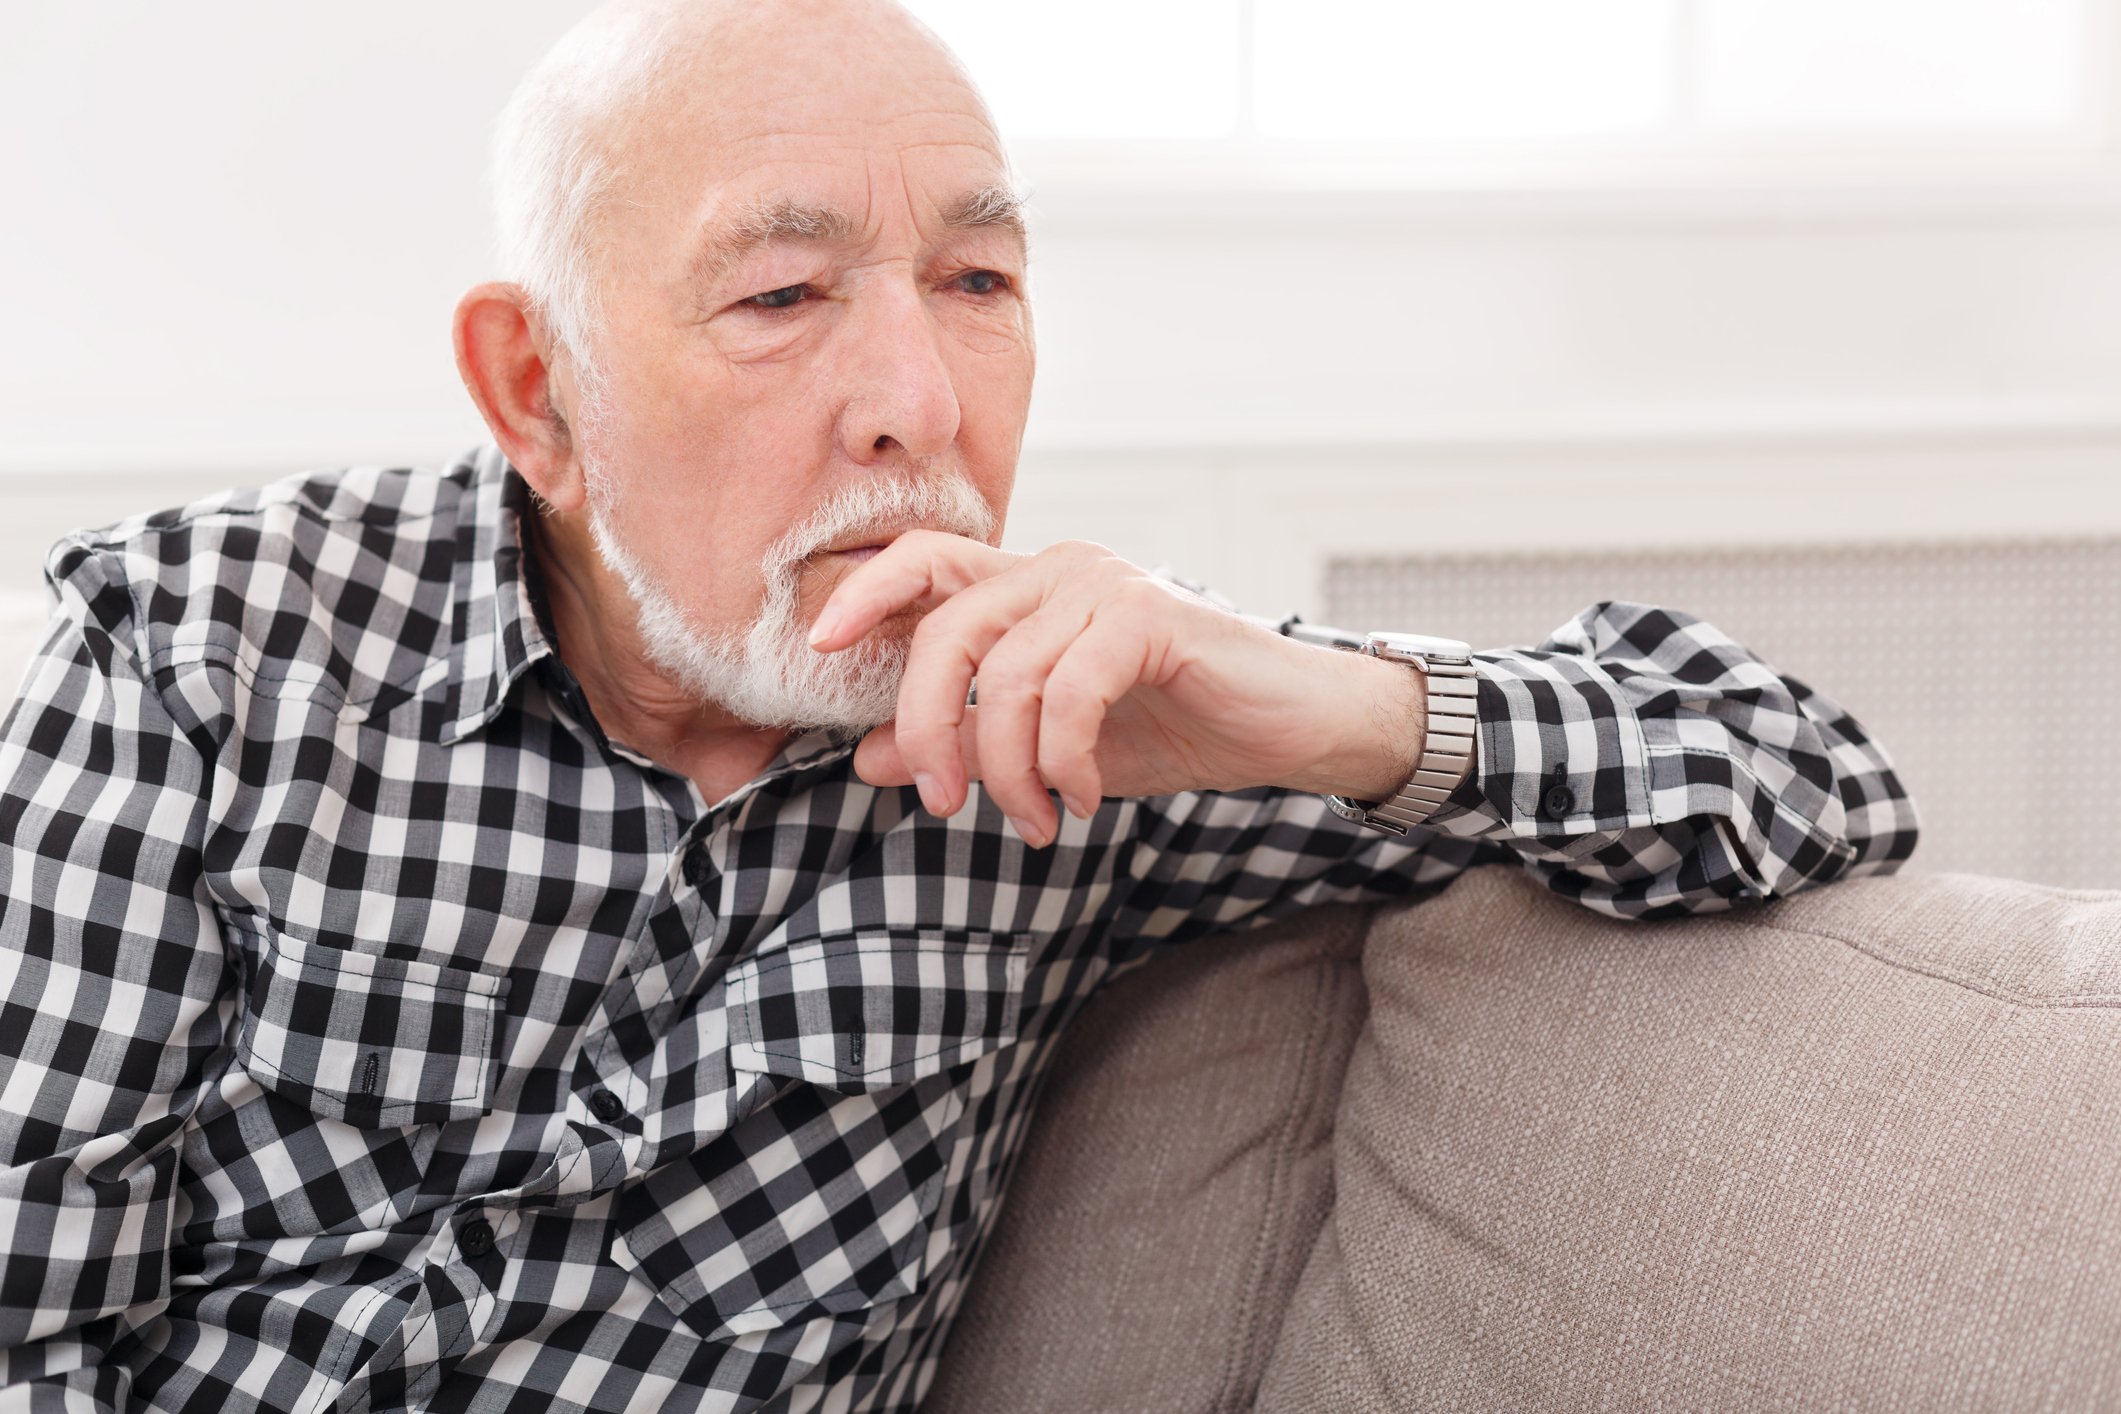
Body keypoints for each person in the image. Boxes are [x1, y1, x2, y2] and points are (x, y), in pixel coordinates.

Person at [0, 1, 1918, 1409]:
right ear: (537, 391)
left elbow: (1804, 775)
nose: (916, 401)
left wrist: (1319, 704)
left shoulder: (1079, 735)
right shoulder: (203, 653)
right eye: (782, 299)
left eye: (977, 277)